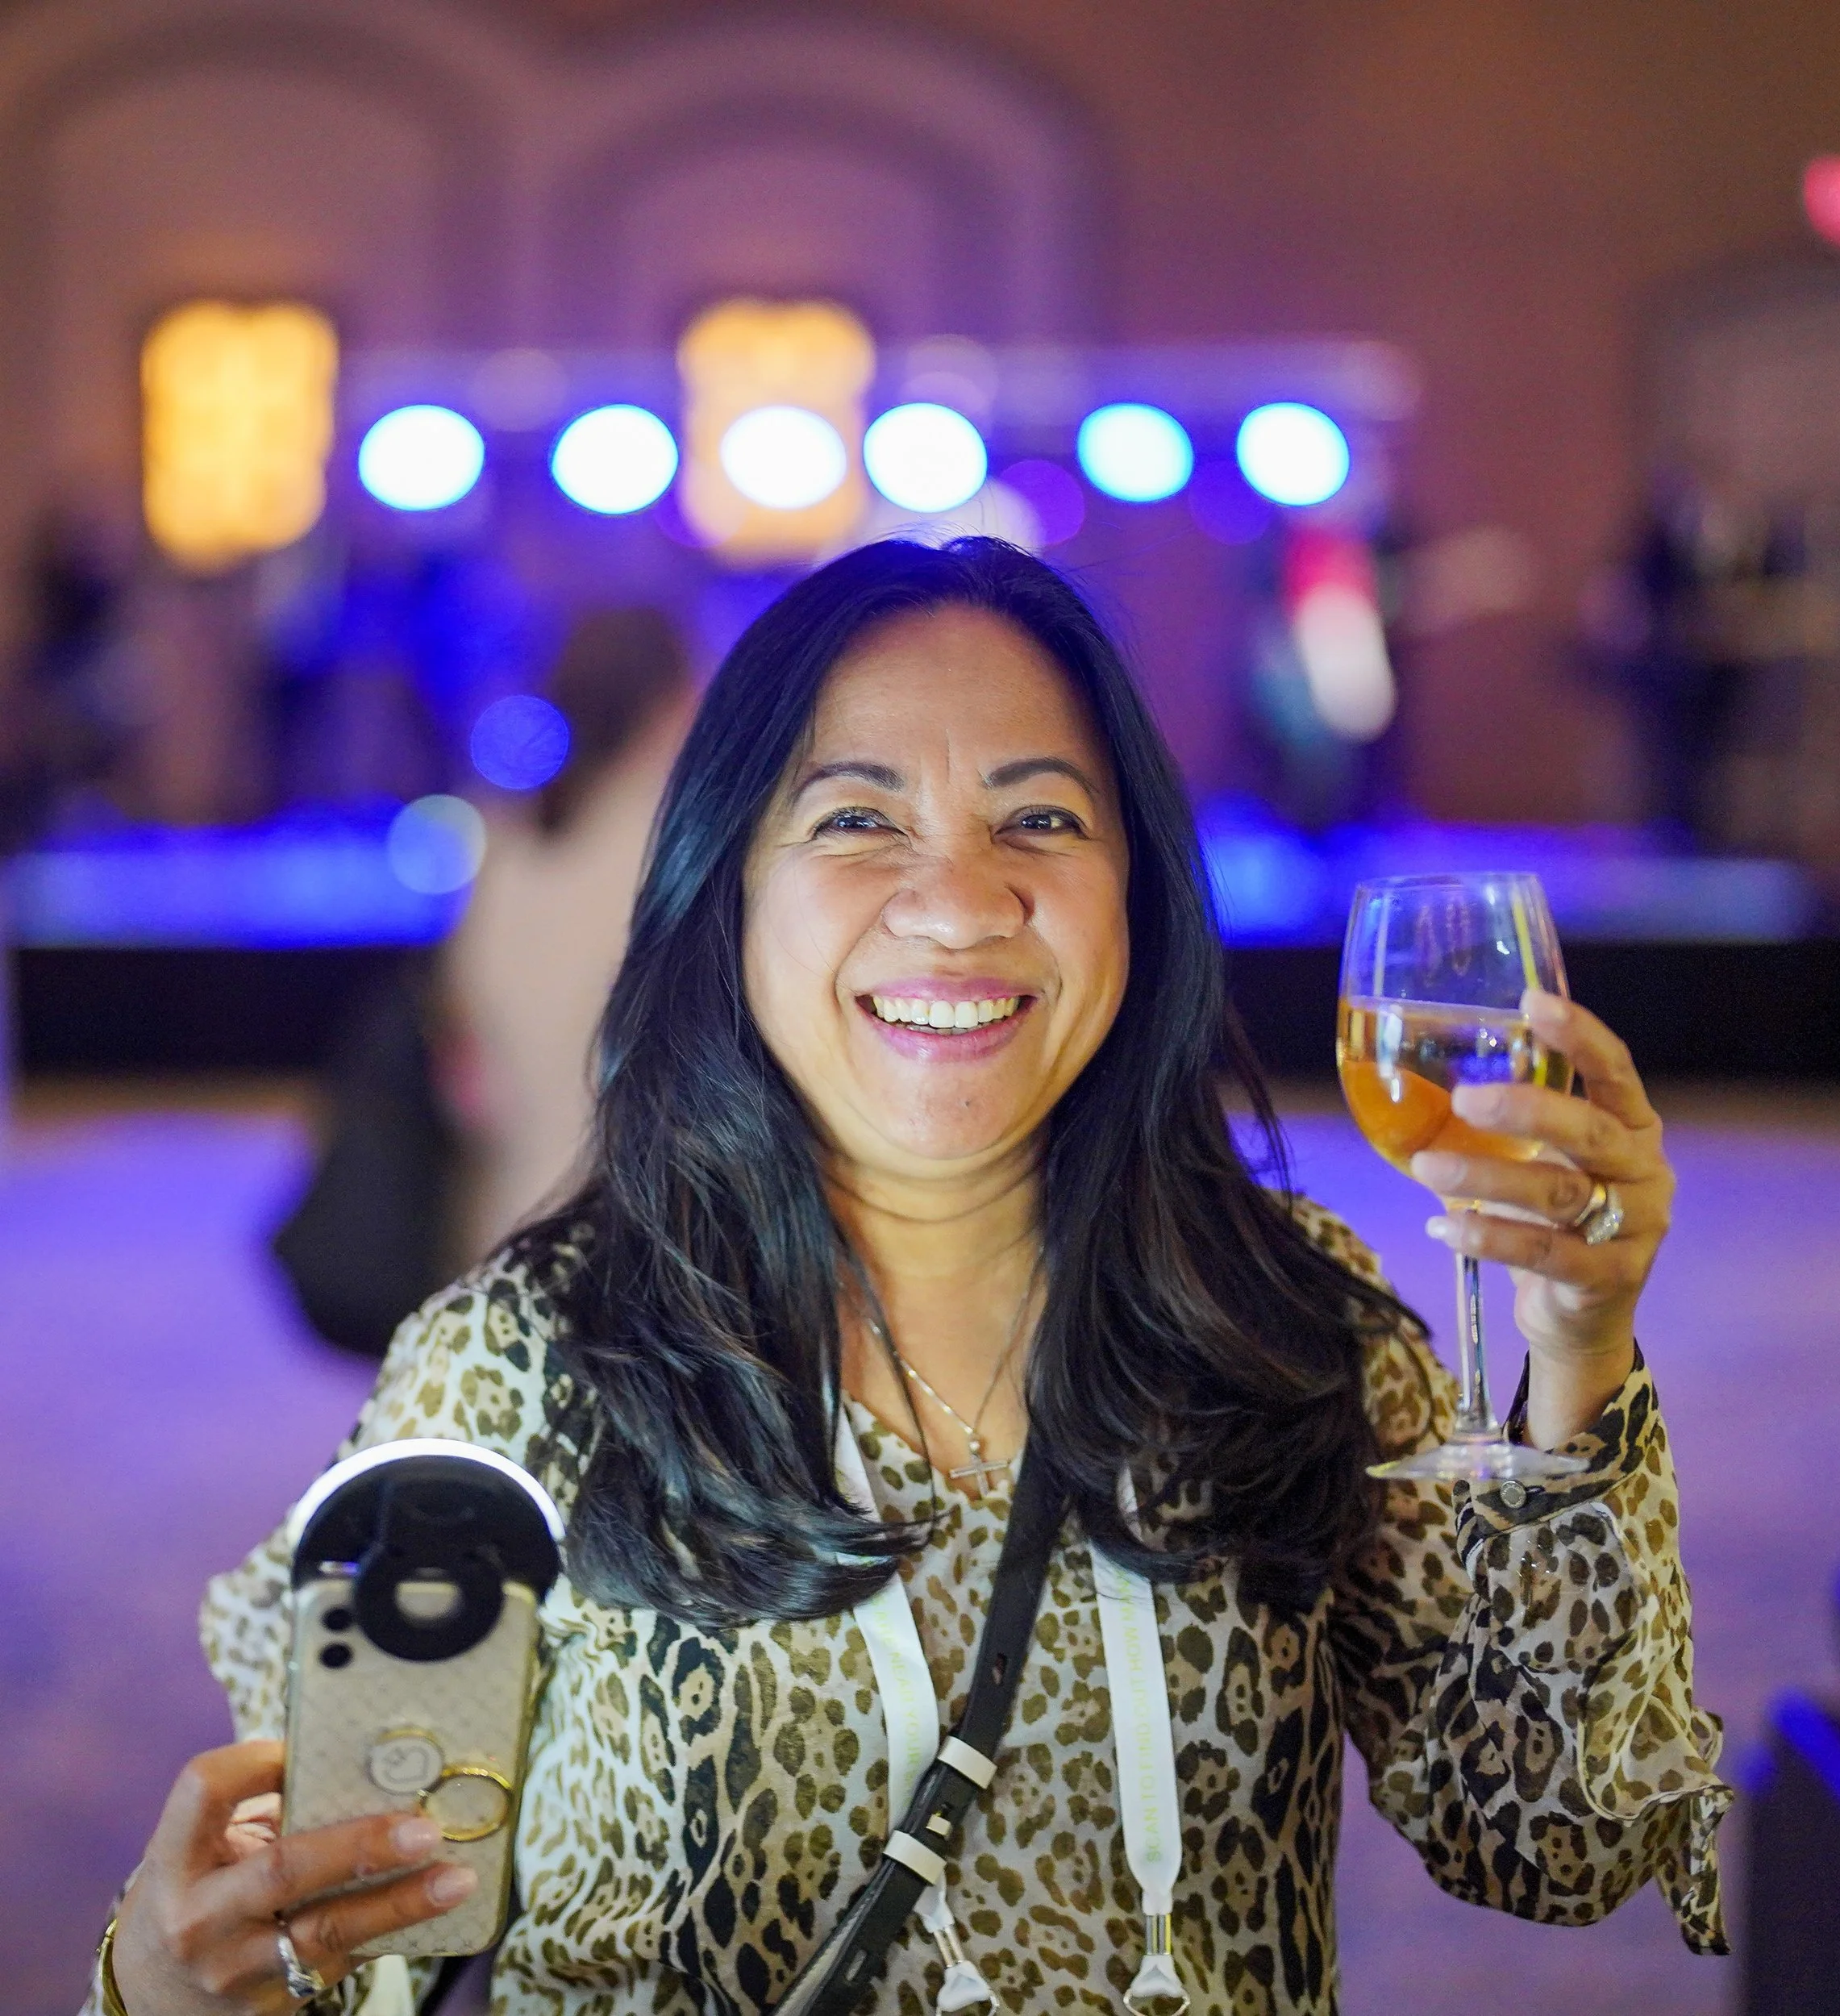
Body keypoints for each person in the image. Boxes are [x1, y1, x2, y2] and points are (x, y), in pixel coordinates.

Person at [94, 539, 1729, 2016]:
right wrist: (176, 1979)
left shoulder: (1275, 1311)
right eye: (858, 818)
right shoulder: (523, 1365)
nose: (958, 901)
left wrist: (1577, 1343)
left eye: (1039, 817)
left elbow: (1554, 1834)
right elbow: (333, 1939)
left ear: (1139, 893)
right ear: (724, 889)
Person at [439, 604, 695, 1265]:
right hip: (631, 1240)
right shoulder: (672, 854)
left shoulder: (507, 847)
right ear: (670, 702)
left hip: (508, 1224)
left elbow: (467, 1073)